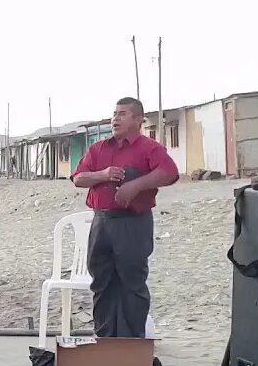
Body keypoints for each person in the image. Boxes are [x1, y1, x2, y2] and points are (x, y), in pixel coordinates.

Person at [70, 97, 179, 338]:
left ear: (138, 120)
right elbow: (78, 178)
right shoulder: (98, 148)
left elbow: (169, 173)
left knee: (132, 283)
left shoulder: (148, 147)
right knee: (101, 283)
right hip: (102, 222)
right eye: (114, 113)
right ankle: (104, 340)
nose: (115, 118)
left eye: (122, 114)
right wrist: (103, 175)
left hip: (133, 223)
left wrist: (136, 186)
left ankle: (131, 345)